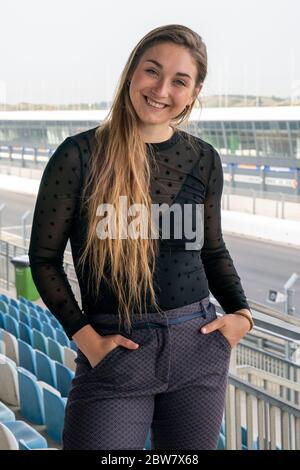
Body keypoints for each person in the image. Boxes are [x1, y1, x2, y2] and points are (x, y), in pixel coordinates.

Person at [28, 24, 254, 450]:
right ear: (132, 72)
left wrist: (242, 316)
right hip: (117, 350)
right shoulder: (78, 156)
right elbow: (43, 260)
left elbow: (212, 249)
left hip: (198, 344)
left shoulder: (203, 158)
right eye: (152, 71)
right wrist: (87, 340)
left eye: (179, 81)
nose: (161, 88)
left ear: (193, 91)